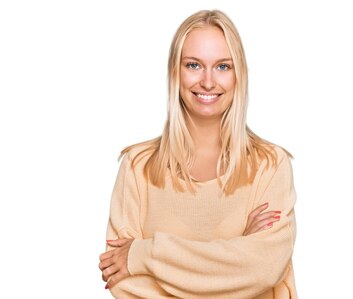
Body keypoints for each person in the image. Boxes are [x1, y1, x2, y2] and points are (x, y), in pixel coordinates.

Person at [98, 10, 297, 298]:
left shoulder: (270, 165)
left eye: (222, 67)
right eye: (193, 65)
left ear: (238, 74)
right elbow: (121, 281)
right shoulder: (136, 167)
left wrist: (145, 254)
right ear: (174, 72)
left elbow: (266, 267)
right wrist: (238, 254)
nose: (207, 81)